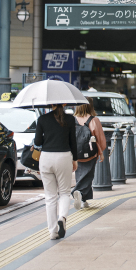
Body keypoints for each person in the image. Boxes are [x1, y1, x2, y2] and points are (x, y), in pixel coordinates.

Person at [35, 103, 79, 240]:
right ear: (65, 103)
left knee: (50, 197)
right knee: (64, 193)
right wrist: (75, 159)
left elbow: (37, 141)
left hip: (46, 158)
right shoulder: (70, 119)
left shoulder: (42, 119)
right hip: (64, 157)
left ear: (50, 104)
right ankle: (62, 217)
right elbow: (73, 142)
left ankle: (53, 232)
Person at [71, 100, 107, 210]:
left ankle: (83, 201)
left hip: (76, 153)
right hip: (90, 153)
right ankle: (77, 192)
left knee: (80, 175)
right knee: (88, 176)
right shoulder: (94, 120)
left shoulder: (72, 120)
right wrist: (101, 152)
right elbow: (100, 139)